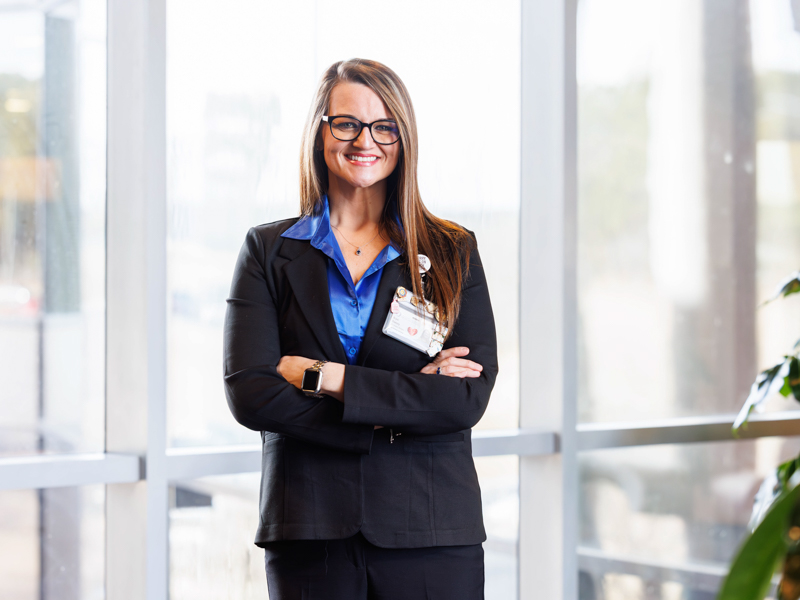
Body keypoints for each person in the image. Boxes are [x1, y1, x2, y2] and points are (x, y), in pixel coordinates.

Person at [223, 58, 498, 600]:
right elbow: (250, 392)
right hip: (310, 528)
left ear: (403, 137)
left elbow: (465, 397)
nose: (364, 141)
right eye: (346, 123)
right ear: (320, 130)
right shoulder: (269, 251)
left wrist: (328, 378)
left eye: (383, 126)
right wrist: (395, 408)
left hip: (431, 528)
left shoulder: (451, 251)